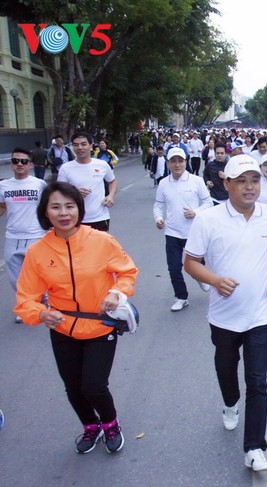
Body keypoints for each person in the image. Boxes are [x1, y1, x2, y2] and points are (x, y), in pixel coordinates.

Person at [15, 182, 138, 453]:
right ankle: (90, 426)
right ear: (45, 212)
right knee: (73, 387)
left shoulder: (101, 240)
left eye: (69, 206)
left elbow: (127, 273)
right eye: (55, 207)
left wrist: (117, 293)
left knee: (94, 386)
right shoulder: (37, 252)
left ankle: (110, 424)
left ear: (79, 209)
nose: (63, 213)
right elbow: (25, 298)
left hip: (99, 326)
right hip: (62, 328)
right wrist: (40, 313)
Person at [183, 154, 267, 473]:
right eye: (241, 181)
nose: (249, 187)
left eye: (254, 180)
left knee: (258, 380)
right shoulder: (207, 219)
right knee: (227, 370)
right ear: (226, 184)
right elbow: (190, 262)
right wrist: (215, 280)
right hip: (224, 317)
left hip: (260, 316)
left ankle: (254, 448)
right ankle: (230, 404)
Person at [154, 147, 213, 312]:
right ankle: (181, 297)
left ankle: (199, 276)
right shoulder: (164, 183)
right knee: (174, 267)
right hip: (172, 232)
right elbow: (158, 205)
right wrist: (158, 218)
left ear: (185, 162)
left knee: (196, 264)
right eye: (173, 161)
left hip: (193, 232)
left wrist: (195, 212)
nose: (177, 164)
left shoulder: (196, 181)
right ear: (168, 163)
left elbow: (208, 203)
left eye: (180, 161)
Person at [0, 148, 48, 322]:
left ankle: (40, 299)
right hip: (12, 237)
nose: (19, 164)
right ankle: (26, 306)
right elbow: (2, 207)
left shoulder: (39, 184)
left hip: (36, 236)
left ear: (30, 164)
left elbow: (47, 207)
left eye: (23, 161)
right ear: (11, 164)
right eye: (15, 161)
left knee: (37, 275)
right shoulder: (3, 185)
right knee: (15, 279)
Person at [58, 132, 116, 232]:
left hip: (100, 217)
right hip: (76, 219)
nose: (80, 147)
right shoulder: (65, 168)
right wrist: (74, 193)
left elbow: (112, 181)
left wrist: (110, 196)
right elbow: (59, 192)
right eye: (76, 145)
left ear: (90, 146)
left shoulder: (102, 165)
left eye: (83, 144)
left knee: (100, 247)